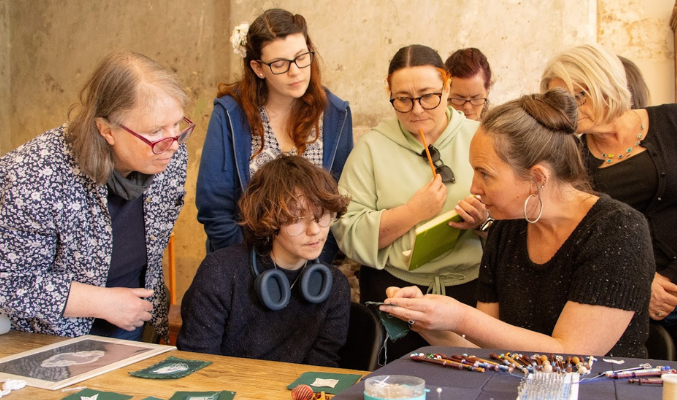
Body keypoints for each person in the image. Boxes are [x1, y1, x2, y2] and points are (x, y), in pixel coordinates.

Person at [382, 88, 654, 358]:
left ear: (537, 178)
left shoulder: (618, 231)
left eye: (485, 174)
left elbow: (571, 355)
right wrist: (424, 319)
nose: (474, 187)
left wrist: (460, 317)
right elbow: (482, 351)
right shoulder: (506, 229)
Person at [0, 51, 192, 342]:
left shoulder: (168, 157)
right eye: (155, 131)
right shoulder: (32, 174)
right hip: (52, 343)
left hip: (136, 333)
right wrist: (102, 302)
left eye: (177, 125)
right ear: (106, 130)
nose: (173, 144)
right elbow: (10, 282)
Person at [332, 44, 487, 361]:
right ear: (388, 92)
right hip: (396, 295)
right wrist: (412, 213)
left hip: (473, 294)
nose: (417, 109)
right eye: (403, 99)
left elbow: (517, 219)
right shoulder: (372, 148)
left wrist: (483, 223)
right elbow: (346, 229)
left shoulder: (482, 137)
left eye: (428, 96)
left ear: (447, 88)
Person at [541, 43, 677, 342]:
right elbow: (580, 240)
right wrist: (643, 280)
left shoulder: (672, 121)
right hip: (628, 299)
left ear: (606, 83)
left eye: (579, 95)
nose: (570, 110)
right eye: (561, 102)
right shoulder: (570, 161)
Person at [196, 8, 353, 263]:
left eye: (302, 57)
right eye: (279, 64)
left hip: (310, 267)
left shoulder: (336, 114)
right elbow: (215, 209)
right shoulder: (231, 114)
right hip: (244, 266)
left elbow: (338, 202)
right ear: (258, 67)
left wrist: (314, 267)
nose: (296, 71)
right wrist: (249, 270)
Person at [178, 155, 351, 367]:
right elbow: (197, 361)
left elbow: (321, 369)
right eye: (297, 219)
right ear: (268, 219)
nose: (315, 231)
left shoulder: (335, 286)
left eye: (322, 216)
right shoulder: (219, 272)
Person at [444, 48, 492, 121]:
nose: (467, 107)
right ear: (445, 90)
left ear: (487, 89)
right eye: (459, 98)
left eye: (476, 98)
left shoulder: (497, 129)